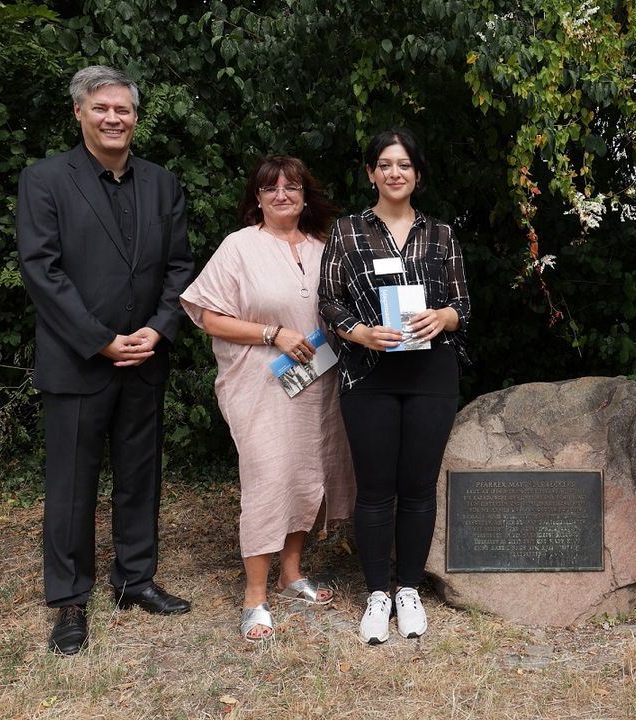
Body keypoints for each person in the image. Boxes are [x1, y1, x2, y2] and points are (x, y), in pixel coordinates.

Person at [16, 65, 195, 655]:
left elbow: (178, 269)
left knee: (140, 478)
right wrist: (99, 339)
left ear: (136, 117)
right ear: (79, 113)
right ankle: (69, 600)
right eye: (101, 109)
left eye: (123, 109)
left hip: (144, 358)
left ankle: (135, 580)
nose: (113, 118)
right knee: (71, 484)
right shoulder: (45, 180)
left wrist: (158, 329)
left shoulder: (163, 185)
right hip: (79, 362)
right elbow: (42, 270)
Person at [180, 156, 356, 642]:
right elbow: (208, 316)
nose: (282, 194)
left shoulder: (326, 247)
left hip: (317, 381)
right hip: (259, 383)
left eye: (292, 186)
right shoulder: (240, 246)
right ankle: (254, 597)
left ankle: (291, 573)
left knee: (307, 472)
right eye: (271, 187)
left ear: (305, 195)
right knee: (267, 477)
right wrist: (271, 333)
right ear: (257, 198)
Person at [317, 128, 470, 644]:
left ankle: (409, 589)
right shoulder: (346, 231)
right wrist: (358, 331)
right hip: (369, 374)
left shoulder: (442, 234)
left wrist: (443, 317)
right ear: (370, 173)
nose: (394, 172)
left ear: (417, 174)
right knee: (376, 488)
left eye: (403, 164)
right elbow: (329, 301)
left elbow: (464, 306)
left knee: (419, 487)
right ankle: (378, 592)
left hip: (432, 376)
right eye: (384, 164)